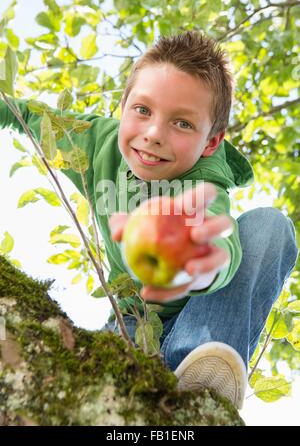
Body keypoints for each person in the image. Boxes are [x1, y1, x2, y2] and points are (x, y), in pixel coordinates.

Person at [0, 31, 298, 410]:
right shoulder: (97, 143)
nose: (154, 134)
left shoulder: (205, 185)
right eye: (142, 110)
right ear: (122, 106)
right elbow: (26, 117)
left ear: (210, 143)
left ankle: (203, 378)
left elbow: (223, 245)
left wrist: (199, 265)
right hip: (130, 325)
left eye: (183, 124)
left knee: (270, 225)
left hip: (200, 326)